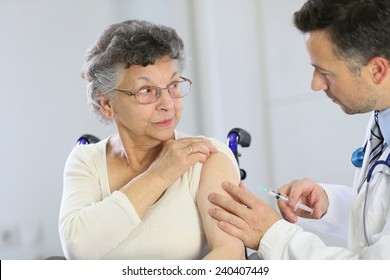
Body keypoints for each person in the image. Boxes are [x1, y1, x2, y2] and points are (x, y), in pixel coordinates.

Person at [208, 0, 390, 259]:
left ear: (377, 70)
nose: (315, 84)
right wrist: (330, 204)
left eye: (324, 72)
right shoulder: (382, 116)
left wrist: (272, 235)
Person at [59, 19, 245, 260]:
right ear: (107, 104)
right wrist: (160, 173)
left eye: (174, 85)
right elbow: (77, 248)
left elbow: (230, 254)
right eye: (147, 90)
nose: (167, 104)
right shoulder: (86, 160)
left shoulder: (208, 157)